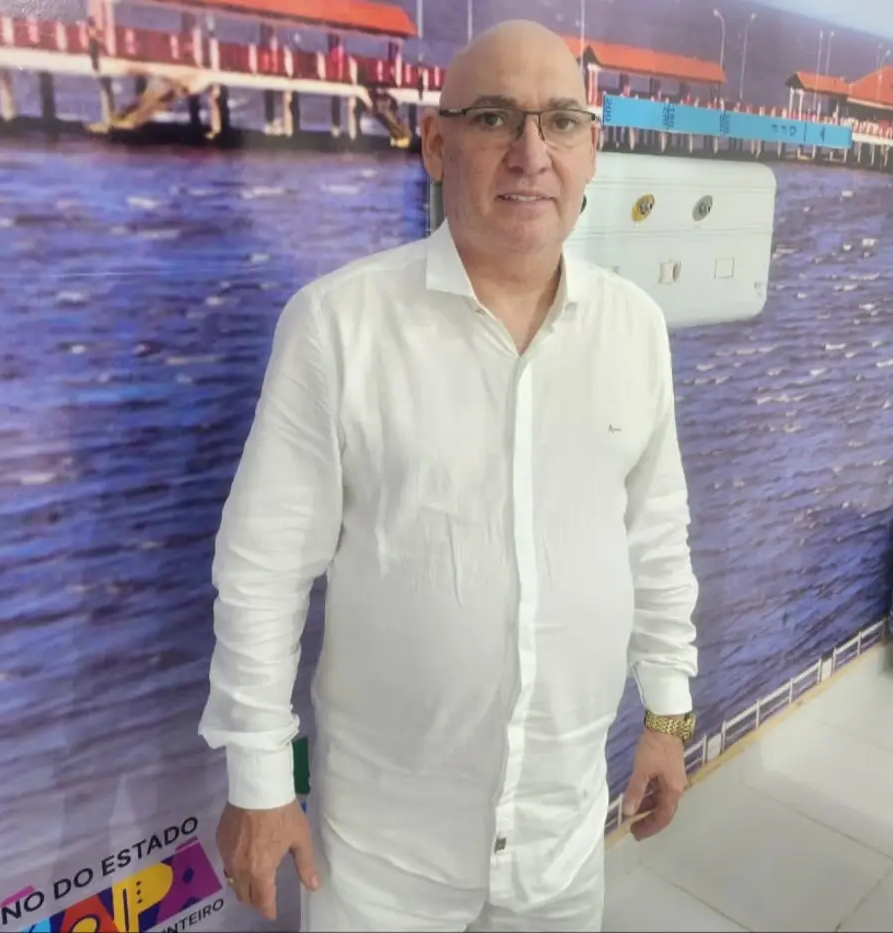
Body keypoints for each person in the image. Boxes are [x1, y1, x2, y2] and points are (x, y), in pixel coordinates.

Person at [199, 19, 699, 932]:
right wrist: (261, 779)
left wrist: (667, 712)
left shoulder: (635, 329)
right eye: (495, 118)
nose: (531, 154)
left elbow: (654, 533)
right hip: (382, 852)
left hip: (560, 835)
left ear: (592, 150)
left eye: (561, 122)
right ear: (436, 143)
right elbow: (264, 567)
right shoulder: (340, 326)